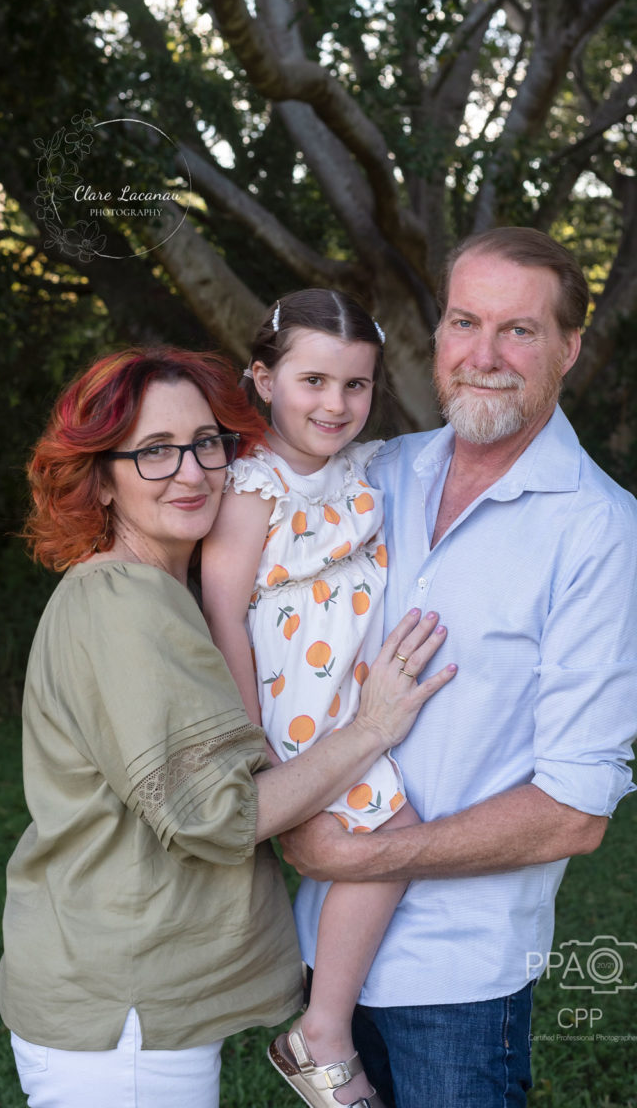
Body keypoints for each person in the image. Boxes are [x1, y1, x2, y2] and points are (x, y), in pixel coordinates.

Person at [0, 345, 456, 1108]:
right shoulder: (124, 604)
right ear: (99, 479)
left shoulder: (170, 596)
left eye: (206, 443)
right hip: (122, 1014)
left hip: (137, 994)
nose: (191, 471)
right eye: (153, 452)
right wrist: (370, 728)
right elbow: (218, 819)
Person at [281, 228, 637, 1108]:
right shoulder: (375, 473)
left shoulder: (600, 535)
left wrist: (354, 854)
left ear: (569, 348)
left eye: (520, 331)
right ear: (438, 335)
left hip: (456, 980)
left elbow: (574, 811)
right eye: (465, 322)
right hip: (313, 950)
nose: (484, 356)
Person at [201, 290, 424, 1108]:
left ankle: (321, 1009)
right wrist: (249, 735)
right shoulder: (253, 485)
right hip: (295, 708)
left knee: (360, 840)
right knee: (392, 834)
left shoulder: (362, 470)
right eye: (313, 381)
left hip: (345, 695)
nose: (335, 404)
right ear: (263, 378)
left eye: (356, 386)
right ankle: (320, 1030)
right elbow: (223, 608)